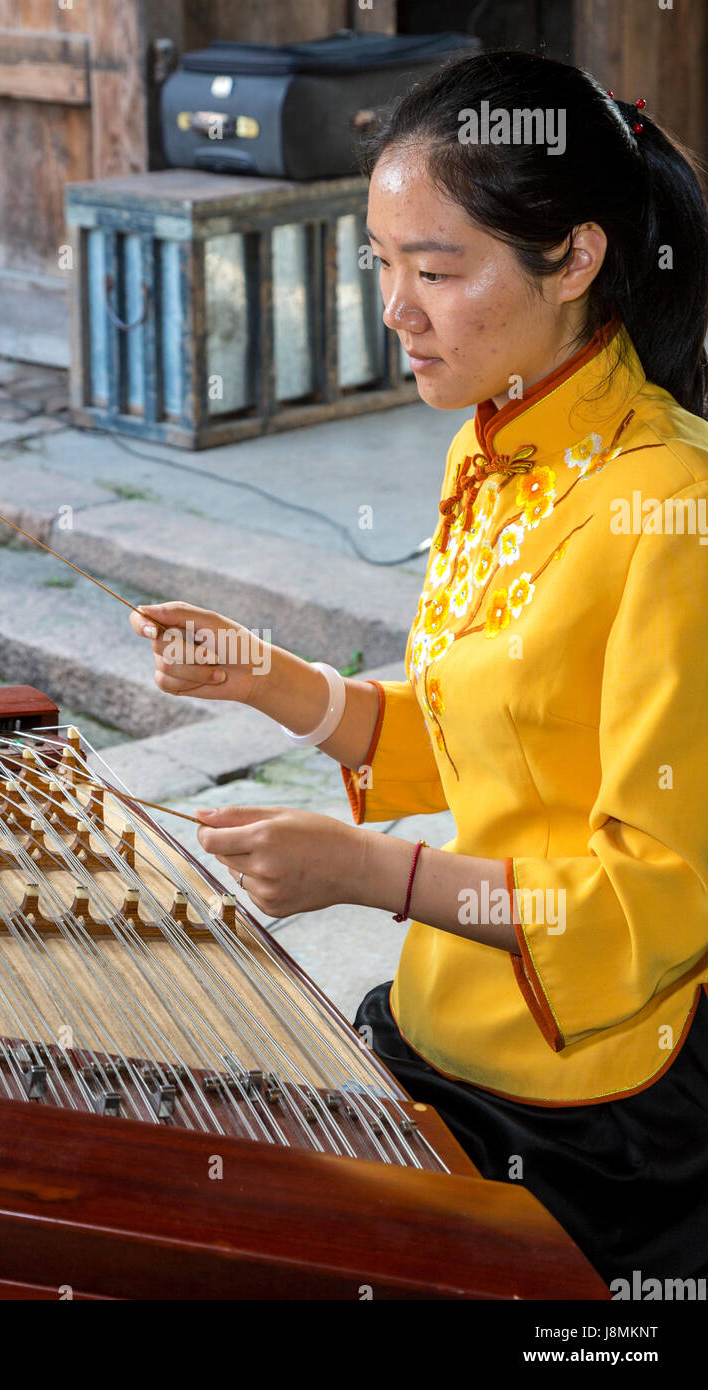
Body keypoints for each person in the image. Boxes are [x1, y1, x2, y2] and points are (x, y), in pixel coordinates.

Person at [129, 48, 708, 1287]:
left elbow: (647, 902)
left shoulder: (670, 509)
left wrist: (373, 875)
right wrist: (261, 675)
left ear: (576, 259)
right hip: (448, 1017)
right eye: (381, 264)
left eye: (437, 271)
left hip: (594, 1093)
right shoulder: (491, 451)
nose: (395, 310)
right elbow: (476, 734)